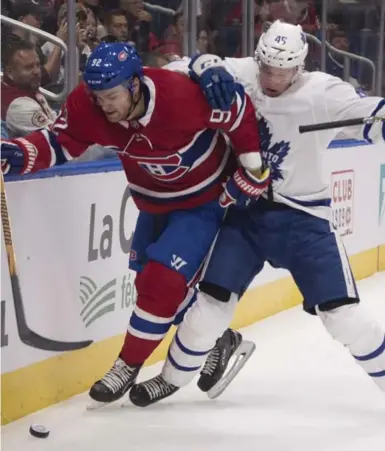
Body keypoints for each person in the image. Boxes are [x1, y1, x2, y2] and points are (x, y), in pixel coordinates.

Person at [129, 20, 385, 407]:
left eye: (282, 71)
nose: (271, 78)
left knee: (342, 316)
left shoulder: (325, 91)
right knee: (211, 306)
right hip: (245, 213)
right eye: (266, 67)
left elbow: (373, 117)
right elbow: (174, 69)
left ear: (300, 66)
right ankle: (172, 377)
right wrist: (206, 66)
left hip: (304, 219)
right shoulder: (244, 72)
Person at [1, 42, 270, 405]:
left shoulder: (180, 96)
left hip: (204, 201)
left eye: (111, 95)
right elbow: (61, 142)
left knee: (164, 280)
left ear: (135, 85)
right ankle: (220, 340)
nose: (103, 105)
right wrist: (20, 154)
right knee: (150, 284)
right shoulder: (88, 104)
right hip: (153, 203)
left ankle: (127, 366)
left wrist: (253, 168)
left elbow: (238, 114)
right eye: (97, 96)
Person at [1, 40, 57, 138]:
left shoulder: (27, 86)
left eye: (37, 65)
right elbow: (55, 140)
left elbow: (53, 118)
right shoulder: (18, 105)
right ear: (10, 72)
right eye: (28, 67)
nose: (36, 71)